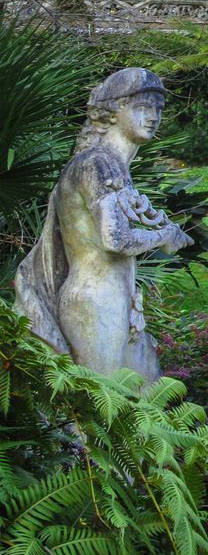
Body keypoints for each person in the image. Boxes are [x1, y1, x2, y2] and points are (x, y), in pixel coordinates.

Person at [12, 68, 192, 380]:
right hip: (96, 301)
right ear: (112, 112)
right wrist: (165, 235)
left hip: (117, 298)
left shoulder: (111, 165)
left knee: (147, 388)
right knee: (101, 399)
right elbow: (116, 240)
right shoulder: (98, 164)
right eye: (142, 107)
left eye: (158, 109)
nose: (153, 117)